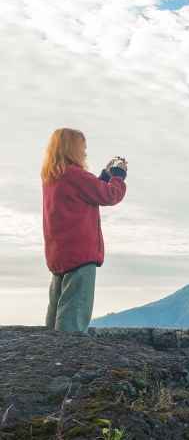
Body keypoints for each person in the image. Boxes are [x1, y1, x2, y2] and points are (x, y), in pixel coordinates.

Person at [41, 127, 128, 333]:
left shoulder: (52, 177)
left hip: (59, 254)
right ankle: (66, 360)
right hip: (80, 255)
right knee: (74, 316)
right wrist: (118, 176)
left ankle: (52, 355)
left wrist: (104, 176)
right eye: (83, 148)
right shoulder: (74, 175)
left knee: (57, 311)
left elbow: (88, 191)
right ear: (73, 149)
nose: (85, 153)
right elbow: (108, 195)